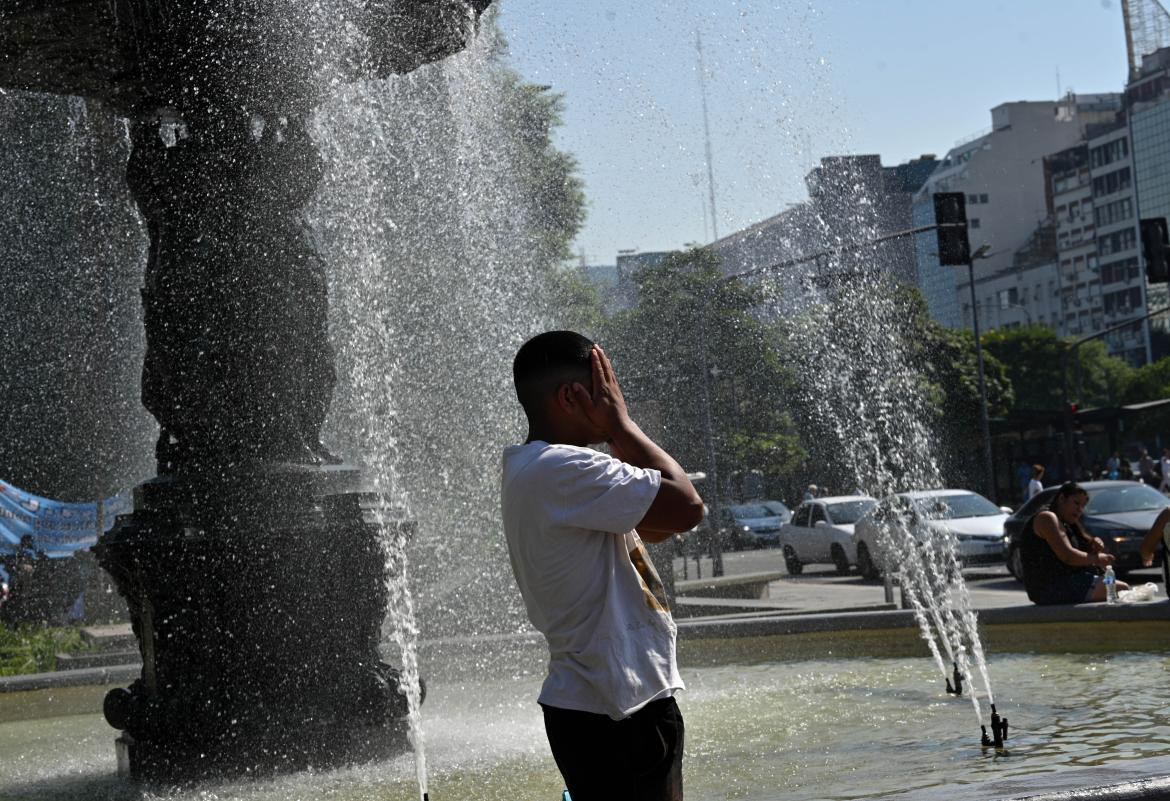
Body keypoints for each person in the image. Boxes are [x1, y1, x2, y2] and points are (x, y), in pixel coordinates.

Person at [501, 331, 703, 801]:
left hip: (604, 699)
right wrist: (623, 427)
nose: (614, 397)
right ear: (573, 396)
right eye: (605, 388)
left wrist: (614, 434)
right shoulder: (562, 469)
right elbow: (687, 507)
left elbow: (656, 527)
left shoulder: (541, 470)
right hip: (619, 706)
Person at [1020, 481, 1130, 604]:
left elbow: (1079, 555)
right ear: (1062, 498)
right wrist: (1096, 558)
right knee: (1121, 589)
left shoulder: (1067, 523)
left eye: (1083, 506)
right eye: (1076, 503)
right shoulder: (1046, 518)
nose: (1080, 509)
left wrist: (1093, 546)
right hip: (1050, 588)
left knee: (1120, 589)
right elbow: (1068, 556)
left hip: (1066, 582)